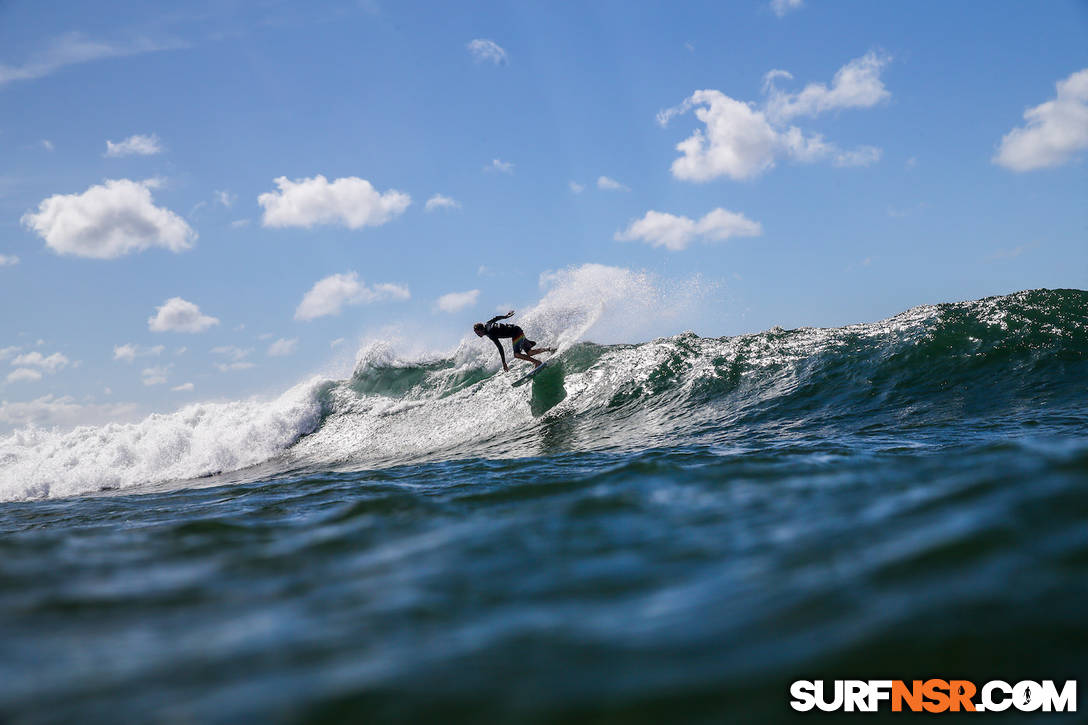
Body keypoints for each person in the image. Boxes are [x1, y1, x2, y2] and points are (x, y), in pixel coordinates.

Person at [474, 310, 554, 371]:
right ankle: (549, 349)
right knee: (530, 352)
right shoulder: (487, 324)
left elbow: (500, 347)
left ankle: (537, 362)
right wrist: (505, 316)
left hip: (515, 333)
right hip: (517, 329)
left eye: (478, 333)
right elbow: (496, 318)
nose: (477, 334)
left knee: (517, 354)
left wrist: (504, 363)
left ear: (481, 330)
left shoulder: (490, 333)